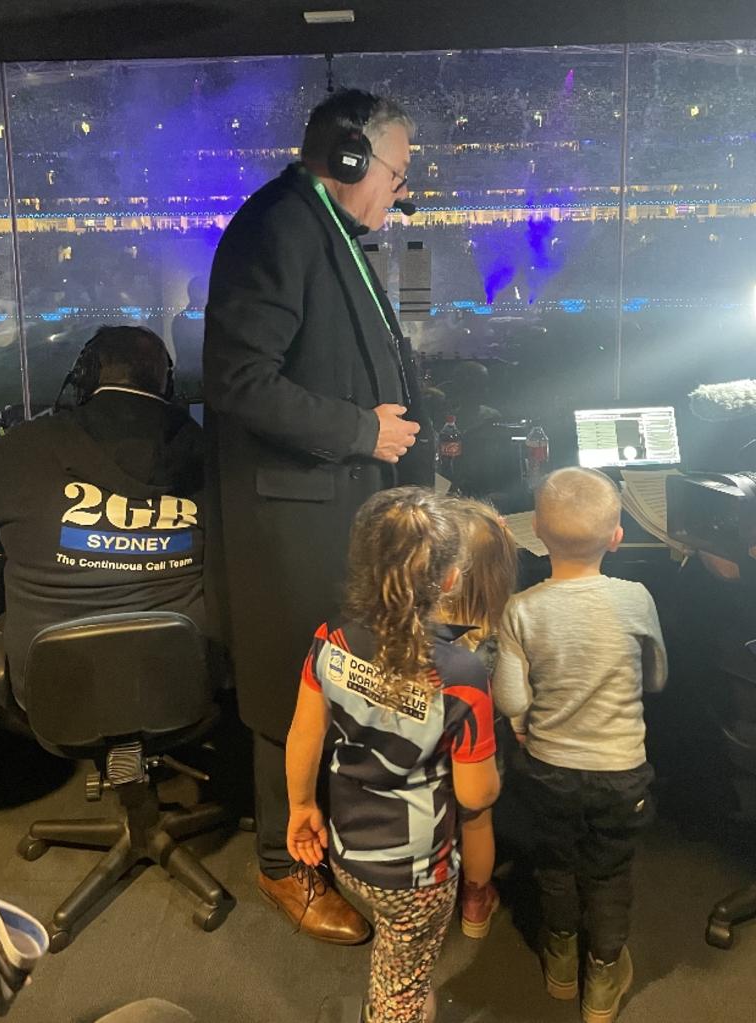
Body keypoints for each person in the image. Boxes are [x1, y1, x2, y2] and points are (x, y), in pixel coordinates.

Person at [204, 88, 434, 942]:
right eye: (396, 171)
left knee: (330, 684)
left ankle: (322, 840)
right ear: (347, 157)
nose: (400, 192)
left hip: (337, 508)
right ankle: (281, 865)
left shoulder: (325, 228)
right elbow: (237, 381)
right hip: (292, 520)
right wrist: (359, 430)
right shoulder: (277, 227)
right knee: (290, 688)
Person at [285, 488, 500, 1023]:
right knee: (402, 986)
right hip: (416, 872)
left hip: (347, 852)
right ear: (450, 579)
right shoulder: (463, 676)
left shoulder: (329, 640)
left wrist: (300, 807)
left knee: (392, 948)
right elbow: (476, 794)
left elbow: (304, 736)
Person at [492, 467, 667, 1023]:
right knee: (610, 872)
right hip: (621, 772)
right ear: (616, 537)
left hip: (549, 770)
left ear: (537, 532)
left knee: (555, 865)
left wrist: (524, 725)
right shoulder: (636, 597)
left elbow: (511, 699)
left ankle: (561, 958)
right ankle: (603, 975)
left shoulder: (520, 609)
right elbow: (656, 677)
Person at [0, 325, 204, 711]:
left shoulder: (20, 449)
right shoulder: (209, 455)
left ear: (84, 377)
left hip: (53, 694)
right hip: (180, 683)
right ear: (166, 385)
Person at [440, 498, 517, 938]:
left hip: (423, 751)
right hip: (480, 752)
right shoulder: (501, 631)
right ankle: (475, 900)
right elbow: (508, 699)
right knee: (477, 821)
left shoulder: (411, 629)